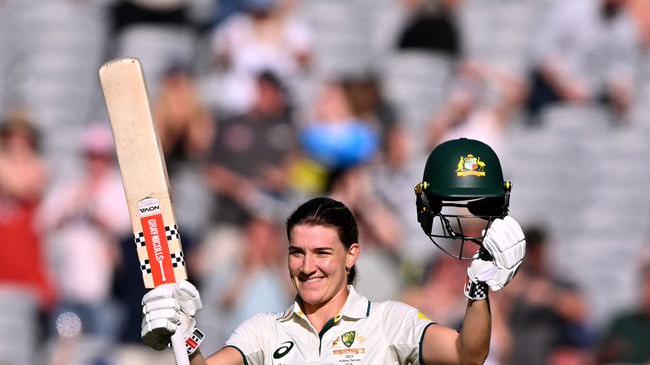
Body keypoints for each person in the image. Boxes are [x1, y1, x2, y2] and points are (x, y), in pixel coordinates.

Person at [139, 138, 526, 364]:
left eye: (322, 253)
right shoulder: (263, 331)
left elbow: (467, 356)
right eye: (297, 252)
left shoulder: (390, 321)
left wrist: (478, 289)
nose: (307, 267)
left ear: (351, 254)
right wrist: (184, 334)